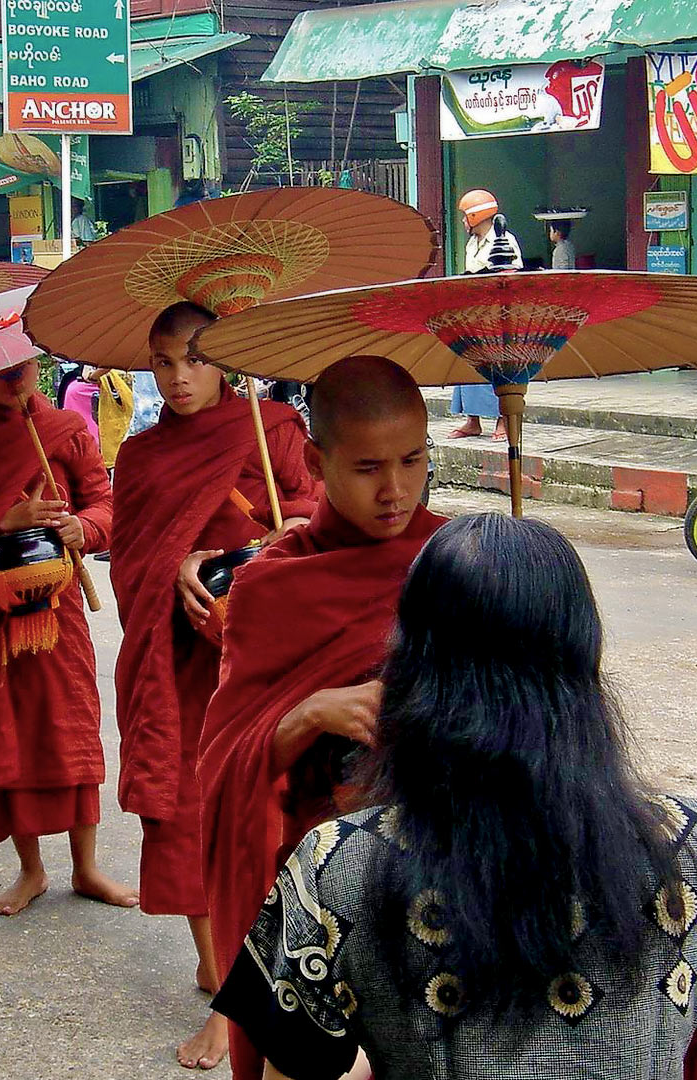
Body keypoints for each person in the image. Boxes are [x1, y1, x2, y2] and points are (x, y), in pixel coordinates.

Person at [215, 514, 697, 1080]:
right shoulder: (696, 849)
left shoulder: (337, 868)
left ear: (412, 668)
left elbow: (291, 1071)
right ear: (584, 661)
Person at [198, 354, 444, 1080]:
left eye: (412, 459)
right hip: (328, 877)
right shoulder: (275, 586)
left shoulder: (456, 561)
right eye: (368, 466)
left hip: (452, 862)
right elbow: (223, 760)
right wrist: (308, 714)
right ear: (314, 458)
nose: (395, 489)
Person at [109, 302, 320, 1070]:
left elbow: (318, 516)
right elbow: (132, 564)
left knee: (261, 822)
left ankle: (243, 988)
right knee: (187, 818)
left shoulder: (273, 433)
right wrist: (177, 563)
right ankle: (224, 982)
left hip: (266, 662)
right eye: (163, 361)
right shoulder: (141, 458)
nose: (179, 377)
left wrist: (265, 545)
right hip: (180, 664)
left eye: (196, 358)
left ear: (223, 356)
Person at [0, 356, 137, 916]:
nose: (12, 376)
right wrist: (0, 523)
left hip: (59, 613)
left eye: (21, 364)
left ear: (37, 364)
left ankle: (86, 868)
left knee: (71, 729)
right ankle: (31, 870)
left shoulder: (66, 430)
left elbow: (105, 501)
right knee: (8, 732)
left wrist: (82, 528)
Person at [450, 190, 519, 440]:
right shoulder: (472, 244)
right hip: (474, 312)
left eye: (465, 216)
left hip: (498, 314)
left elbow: (511, 276)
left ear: (475, 216)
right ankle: (472, 419)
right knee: (466, 360)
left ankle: (502, 420)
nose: (463, 222)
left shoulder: (506, 241)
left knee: (500, 365)